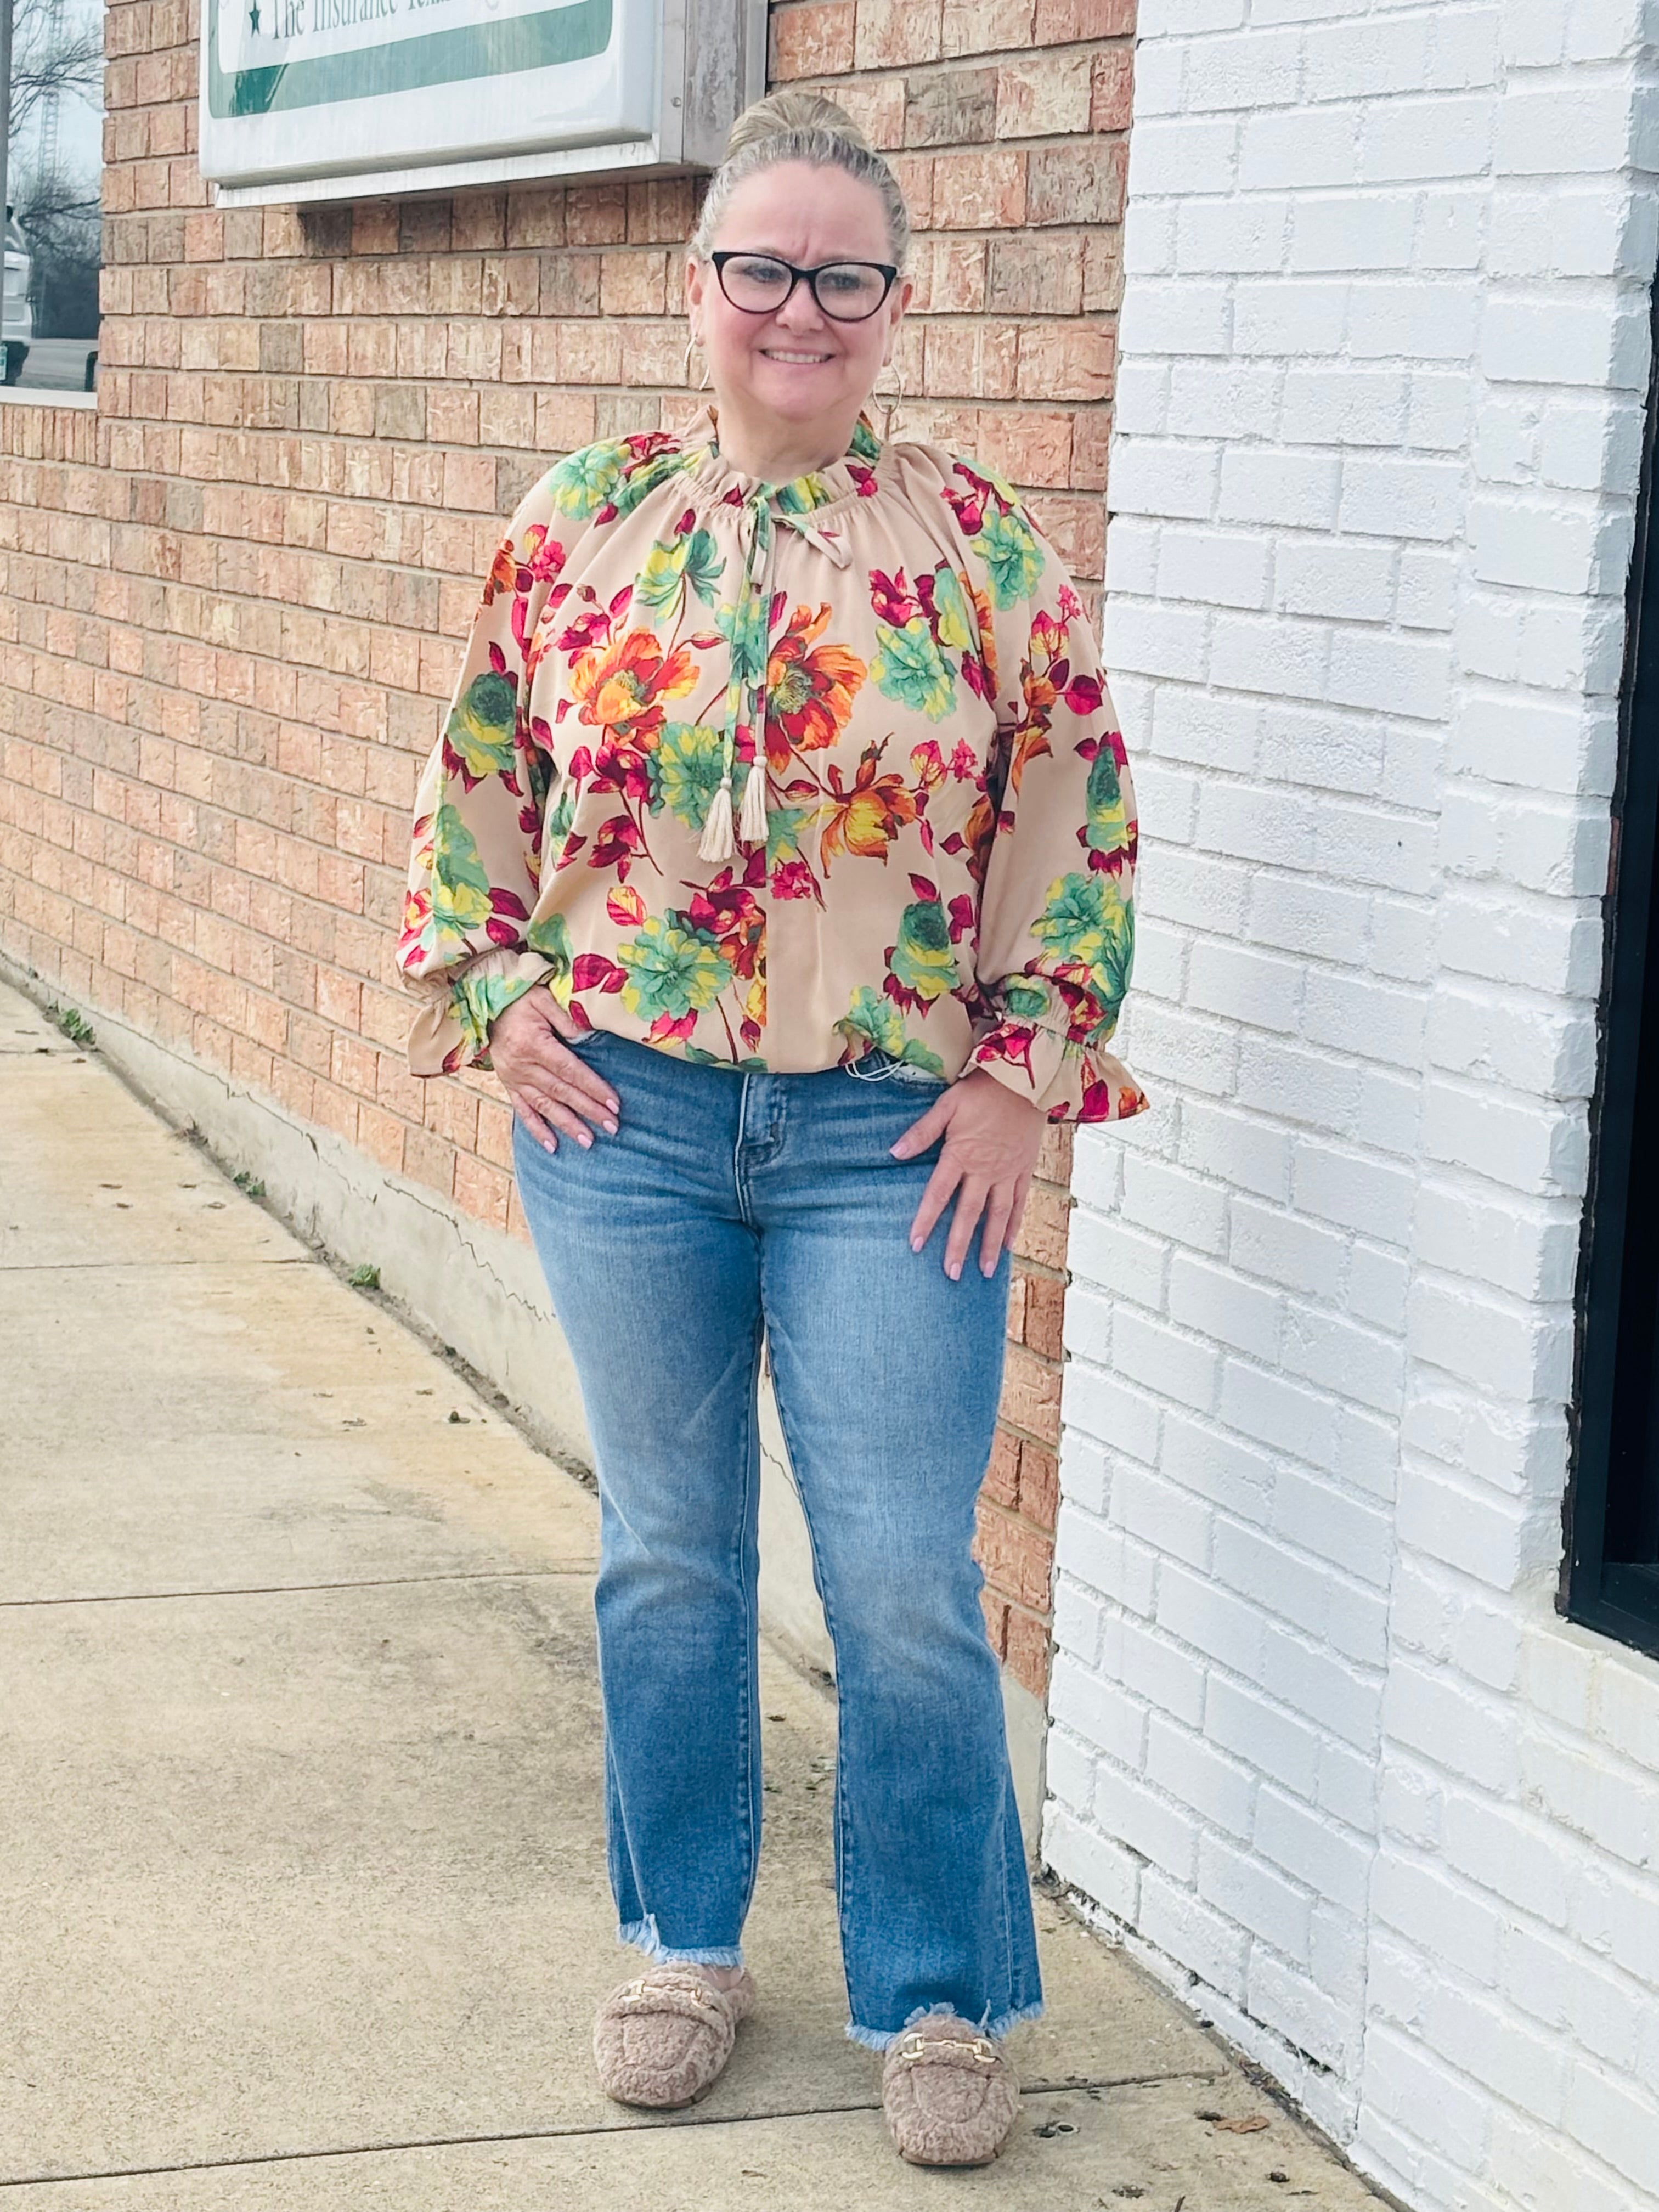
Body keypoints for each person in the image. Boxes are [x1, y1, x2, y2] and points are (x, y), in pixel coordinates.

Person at [399, 88, 1144, 2169]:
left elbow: (1072, 816)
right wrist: (499, 992)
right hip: (621, 1122)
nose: (797, 308)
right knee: (667, 1554)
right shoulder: (577, 523)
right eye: (761, 267)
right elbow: (477, 793)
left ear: (891, 305)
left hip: (892, 1142)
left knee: (905, 1571)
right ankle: (683, 1943)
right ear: (698, 284)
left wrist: (1020, 1073)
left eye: (842, 274)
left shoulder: (988, 552)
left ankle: (938, 1988)